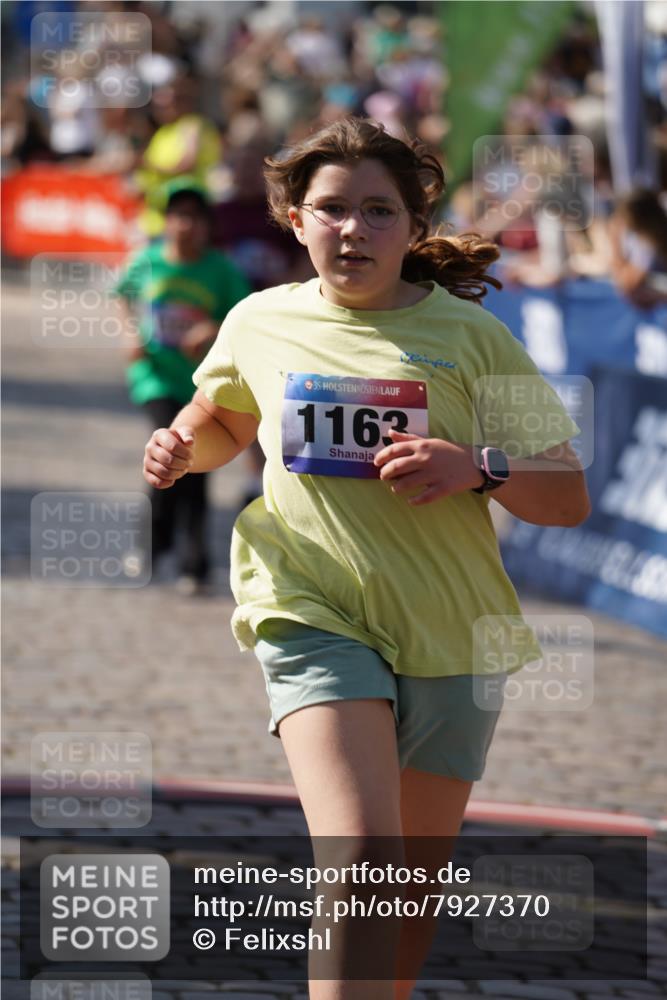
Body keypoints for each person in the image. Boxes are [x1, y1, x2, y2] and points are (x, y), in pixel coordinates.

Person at [141, 117, 591, 997]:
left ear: (413, 225)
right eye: (332, 209)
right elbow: (224, 420)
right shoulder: (259, 320)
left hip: (453, 631)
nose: (354, 230)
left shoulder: (474, 339)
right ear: (294, 219)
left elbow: (565, 497)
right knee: (360, 855)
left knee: (402, 896)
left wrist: (477, 467)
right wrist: (179, 448)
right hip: (312, 607)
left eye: (378, 211)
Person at [118, 178, 250, 594]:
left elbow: (243, 316)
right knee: (169, 450)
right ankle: (153, 545)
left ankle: (194, 562)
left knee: (194, 466)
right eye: (177, 215)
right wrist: (130, 334)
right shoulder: (148, 260)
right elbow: (121, 294)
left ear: (207, 224)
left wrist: (210, 327)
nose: (185, 224)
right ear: (166, 221)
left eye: (194, 216)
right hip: (154, 377)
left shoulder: (221, 270)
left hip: (200, 384)